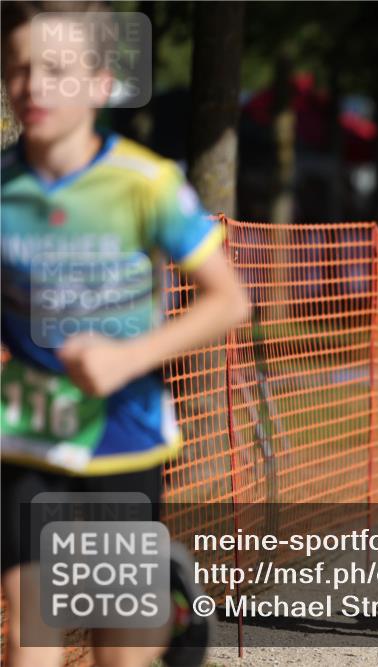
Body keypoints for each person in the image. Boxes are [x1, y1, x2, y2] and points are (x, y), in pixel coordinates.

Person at [1, 3, 250, 666]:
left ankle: (169, 589)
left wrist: (127, 356)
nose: (34, 86)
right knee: (31, 645)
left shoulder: (147, 183)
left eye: (56, 69)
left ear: (99, 81)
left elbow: (229, 301)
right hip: (29, 436)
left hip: (123, 432)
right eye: (20, 68)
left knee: (119, 651)